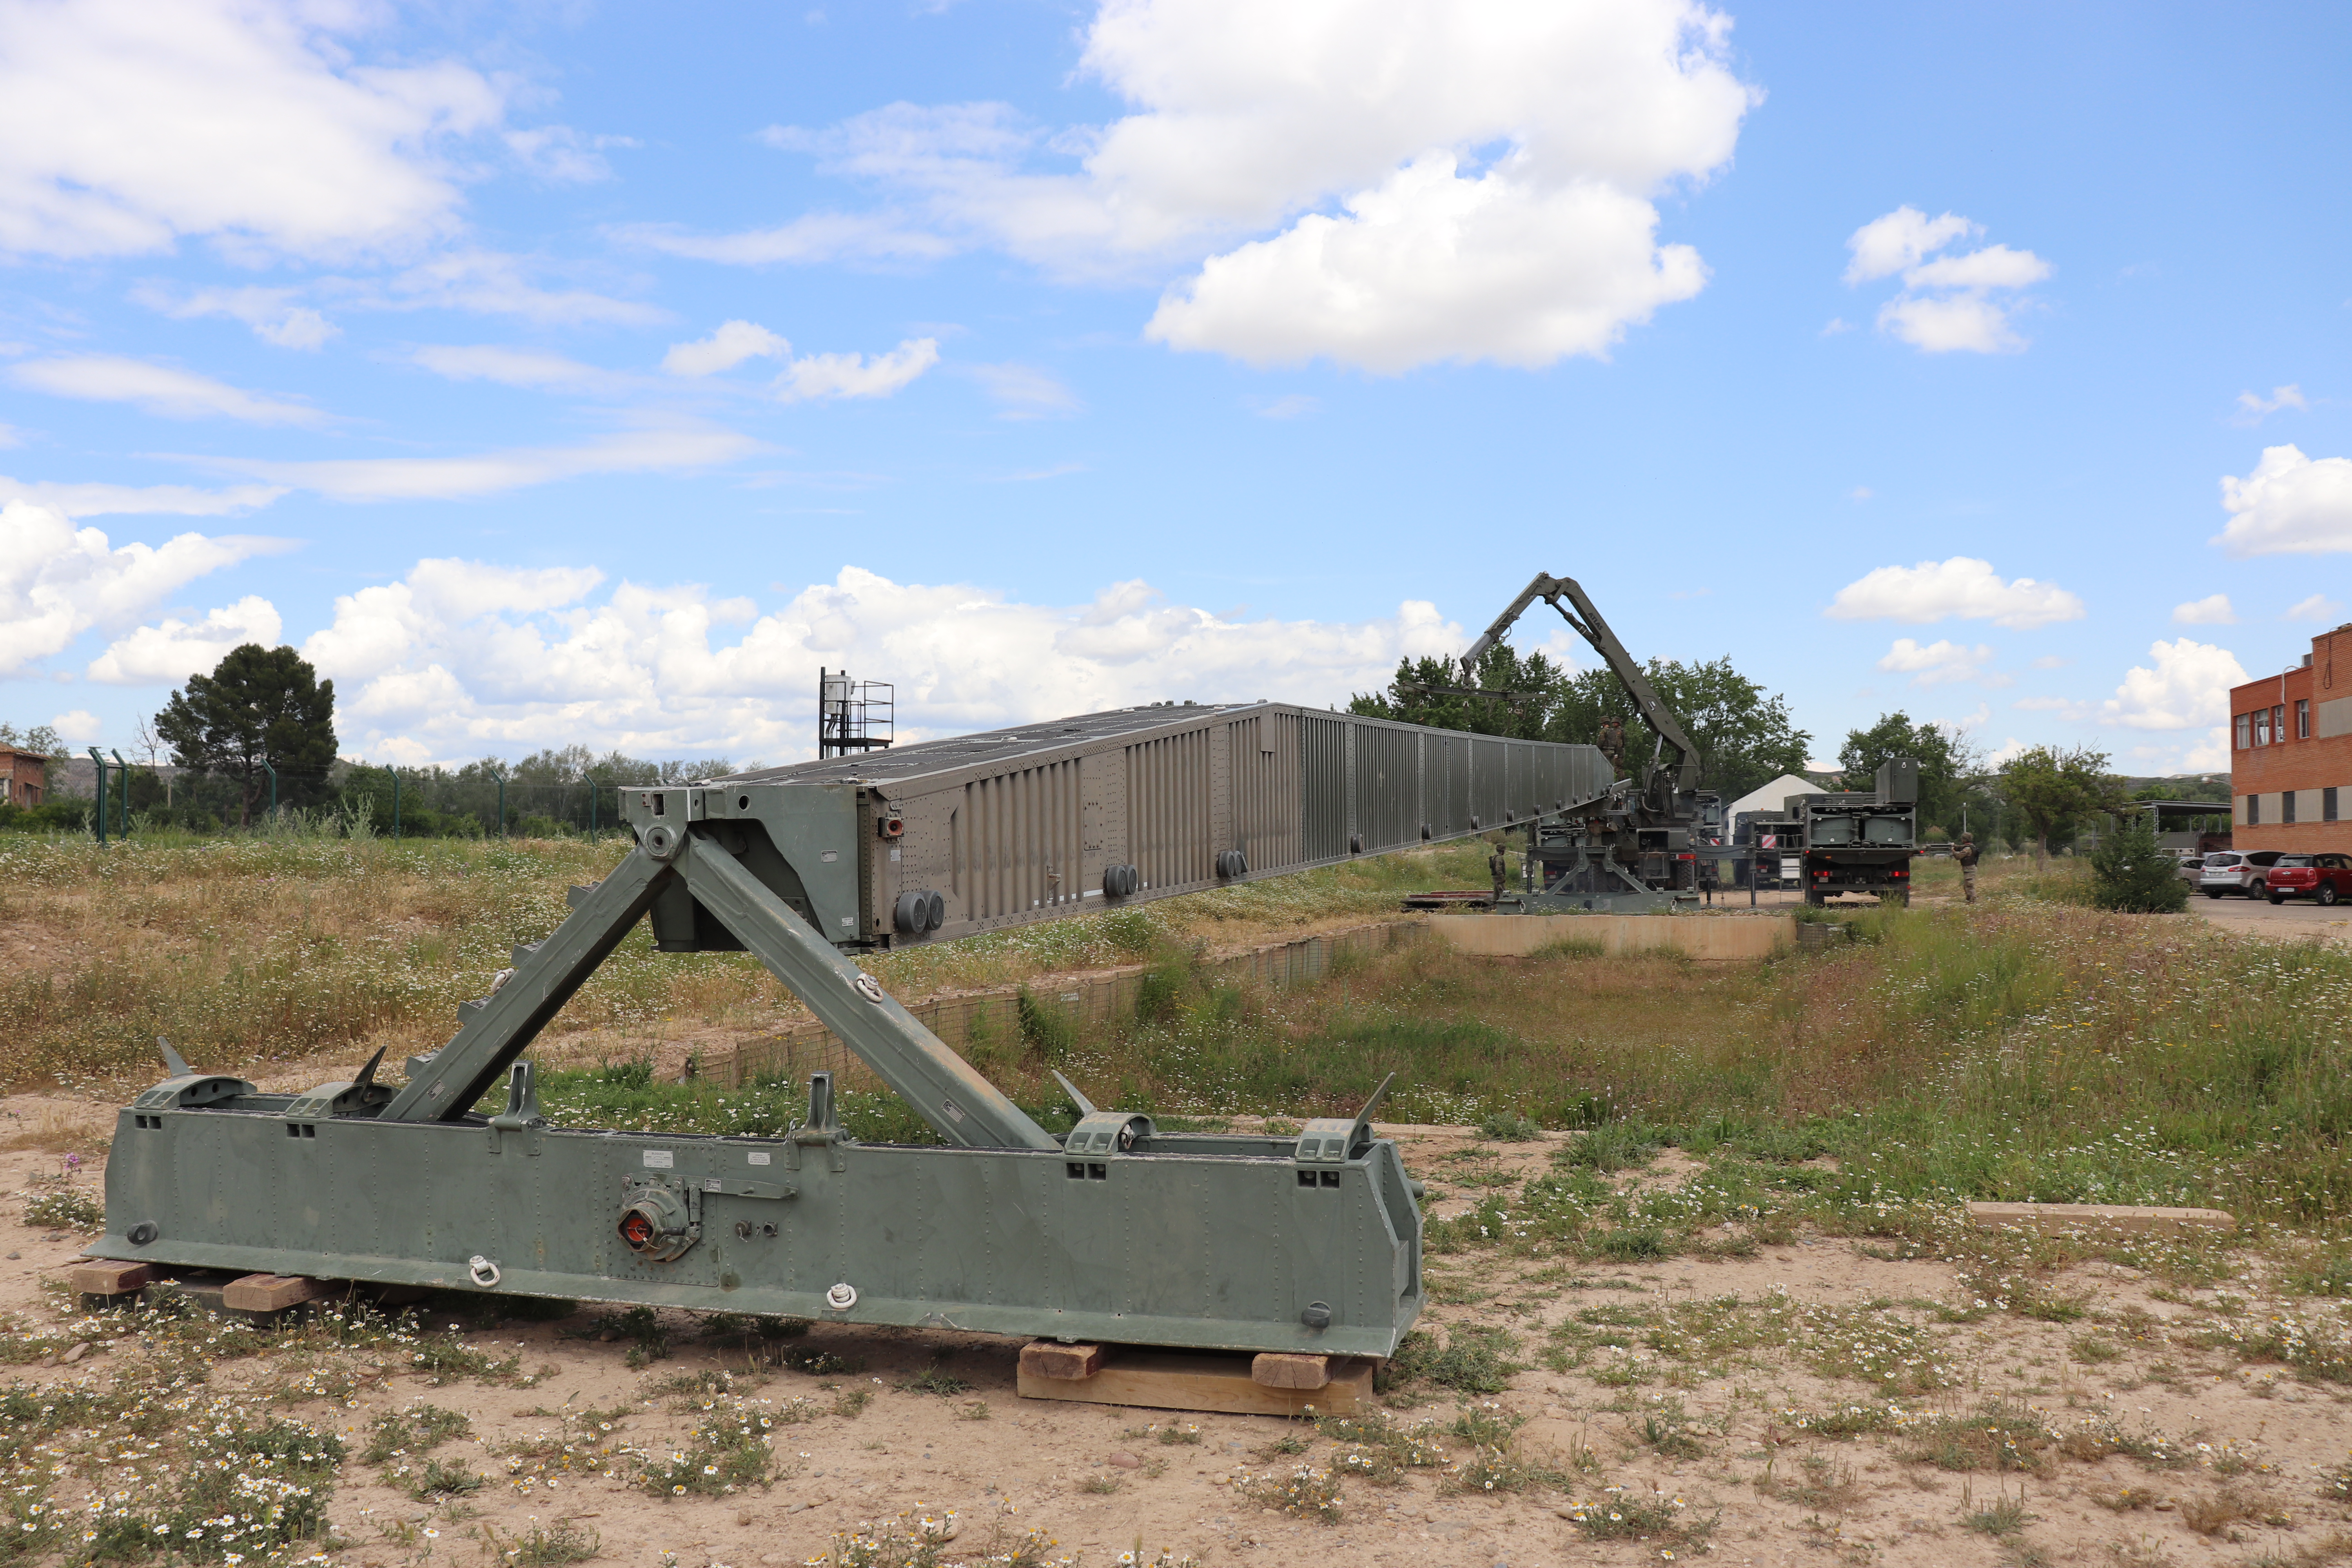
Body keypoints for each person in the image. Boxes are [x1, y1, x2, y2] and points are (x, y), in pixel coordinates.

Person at [1956, 830, 1979, 903]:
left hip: (1969, 869)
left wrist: (1952, 850)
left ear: (1964, 840)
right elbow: (1961, 847)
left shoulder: (1968, 849)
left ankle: (1973, 900)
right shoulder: (1971, 846)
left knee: (1970, 885)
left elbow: (1958, 857)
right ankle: (1969, 900)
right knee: (1967, 886)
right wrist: (1954, 846)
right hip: (1969, 868)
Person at [1488, 840, 1512, 909]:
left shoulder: (1495, 857)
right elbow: (1498, 869)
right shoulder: (1499, 858)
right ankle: (1505, 906)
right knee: (1502, 891)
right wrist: (1502, 876)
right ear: (1502, 851)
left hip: (1496, 877)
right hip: (1498, 877)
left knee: (1496, 892)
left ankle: (1493, 904)